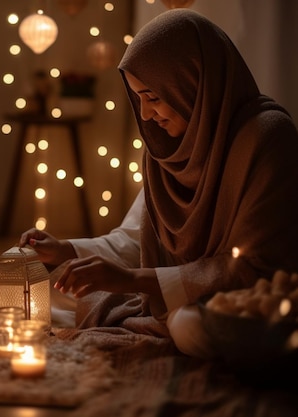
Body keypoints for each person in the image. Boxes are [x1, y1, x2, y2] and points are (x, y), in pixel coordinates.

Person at [19, 9, 298, 358]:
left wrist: (134, 281)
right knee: (42, 291)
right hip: (171, 295)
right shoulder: (166, 150)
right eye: (139, 99)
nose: (147, 114)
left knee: (189, 326)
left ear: (193, 84)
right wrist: (66, 251)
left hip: (249, 301)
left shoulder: (267, 138)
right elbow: (135, 240)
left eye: (153, 97)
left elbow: (253, 269)